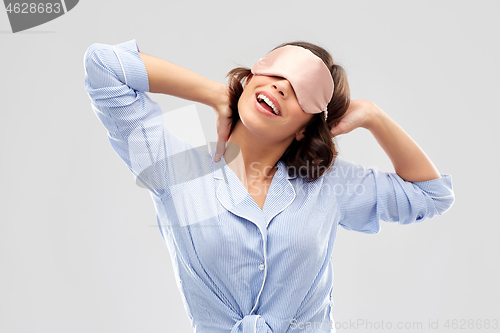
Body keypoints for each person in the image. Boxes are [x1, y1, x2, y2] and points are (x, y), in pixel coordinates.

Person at [83, 39, 455, 333]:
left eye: (300, 91)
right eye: (275, 74)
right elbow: (103, 66)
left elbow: (431, 195)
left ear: (306, 127)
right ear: (249, 80)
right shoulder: (175, 167)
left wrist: (374, 116)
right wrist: (215, 93)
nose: (280, 88)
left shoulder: (327, 183)